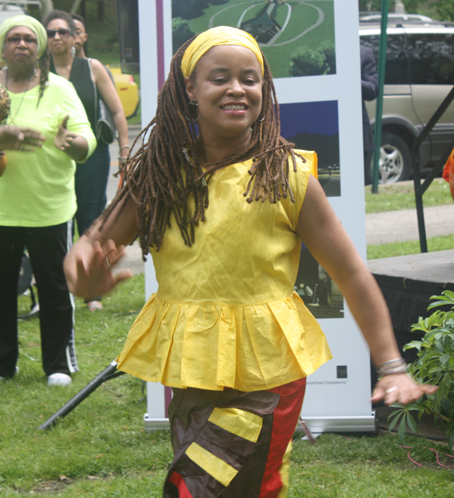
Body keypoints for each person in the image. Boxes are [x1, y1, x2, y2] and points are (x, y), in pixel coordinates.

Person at [64, 27, 436, 496]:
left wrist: (392, 366)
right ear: (190, 90)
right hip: (193, 366)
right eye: (219, 78)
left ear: (265, 90)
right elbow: (90, 250)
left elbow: (351, 275)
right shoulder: (157, 175)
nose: (237, 88)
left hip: (269, 370)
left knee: (200, 488)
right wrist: (85, 279)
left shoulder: (287, 174)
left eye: (250, 78)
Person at [0, 15, 96, 387]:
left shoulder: (60, 89)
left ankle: (58, 366)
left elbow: (87, 140)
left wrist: (72, 144)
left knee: (54, 288)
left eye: (30, 39)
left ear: (40, 48)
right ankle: (0, 366)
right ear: (2, 48)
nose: (22, 45)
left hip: (47, 206)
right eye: (14, 39)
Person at [43, 9, 130, 311]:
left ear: (75, 37)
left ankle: (92, 292)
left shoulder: (92, 67)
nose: (56, 38)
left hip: (92, 157)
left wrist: (125, 149)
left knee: (91, 218)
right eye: (51, 33)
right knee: (55, 220)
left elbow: (118, 112)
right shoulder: (40, 72)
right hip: (52, 159)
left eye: (62, 32)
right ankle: (58, 286)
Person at [361, 44, 378, 186]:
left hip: (358, 135)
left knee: (363, 184)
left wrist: (348, 77)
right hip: (324, 129)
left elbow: (372, 90)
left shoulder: (363, 53)